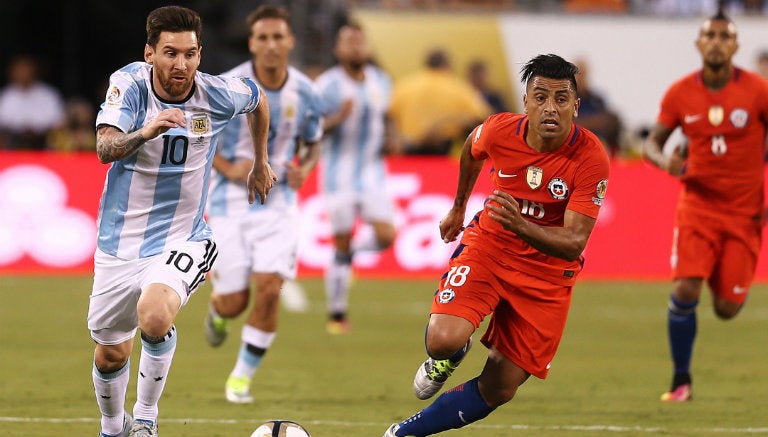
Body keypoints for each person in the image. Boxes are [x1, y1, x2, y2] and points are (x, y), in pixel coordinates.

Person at [383, 53, 610, 437]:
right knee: (441, 341)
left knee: (500, 388)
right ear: (525, 102)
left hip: (548, 274)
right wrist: (458, 208)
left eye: (560, 98)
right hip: (491, 247)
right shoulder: (499, 130)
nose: (550, 108)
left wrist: (520, 224)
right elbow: (472, 148)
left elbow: (573, 242)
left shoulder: (591, 158)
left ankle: (403, 433)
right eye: (540, 97)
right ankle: (453, 354)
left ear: (576, 105)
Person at [88, 6, 273, 437]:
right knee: (110, 354)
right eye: (170, 53)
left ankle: (147, 420)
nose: (181, 64)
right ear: (150, 53)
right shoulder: (129, 85)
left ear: (200, 55)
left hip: (184, 237)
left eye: (190, 54)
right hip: (119, 242)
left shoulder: (216, 93)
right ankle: (114, 428)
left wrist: (260, 163)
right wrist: (146, 132)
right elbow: (104, 148)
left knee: (154, 317)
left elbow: (258, 99)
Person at [642, 11, 768, 403]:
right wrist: (667, 163)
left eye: (723, 35)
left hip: (745, 213)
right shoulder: (680, 94)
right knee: (685, 287)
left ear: (735, 46)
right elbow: (651, 144)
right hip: (697, 207)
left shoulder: (758, 91)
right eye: (708, 34)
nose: (715, 41)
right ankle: (681, 381)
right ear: (699, 43)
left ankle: (723, 272)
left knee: (728, 307)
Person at [202, 5, 323, 403]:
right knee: (235, 302)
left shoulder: (305, 90)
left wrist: (304, 168)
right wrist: (226, 167)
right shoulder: (226, 84)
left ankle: (240, 378)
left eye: (278, 37)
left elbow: (312, 141)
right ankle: (219, 313)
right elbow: (201, 136)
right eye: (263, 38)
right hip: (228, 204)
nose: (271, 45)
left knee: (270, 288)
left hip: (279, 203)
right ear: (252, 43)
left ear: (289, 41)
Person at [314, 22, 399, 334]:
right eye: (349, 42)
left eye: (360, 42)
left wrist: (393, 139)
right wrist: (337, 119)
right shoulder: (327, 85)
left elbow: (386, 116)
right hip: (338, 175)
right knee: (341, 238)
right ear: (338, 50)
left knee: (387, 236)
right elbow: (312, 130)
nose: (356, 47)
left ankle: (347, 255)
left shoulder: (382, 81)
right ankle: (337, 313)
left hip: (372, 172)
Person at [389, 48, 491, 155]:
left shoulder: (405, 85)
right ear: (448, 65)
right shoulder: (459, 88)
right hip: (444, 151)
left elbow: (389, 115)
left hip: (410, 149)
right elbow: (483, 117)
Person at [0, 54, 65, 149]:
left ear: (34, 70)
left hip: (43, 141)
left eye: (26, 68)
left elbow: (59, 122)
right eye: (19, 69)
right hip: (12, 142)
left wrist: (36, 130)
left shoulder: (49, 95)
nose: (23, 72)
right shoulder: (5, 96)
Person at [573, 57, 624, 158]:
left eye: (583, 74)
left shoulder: (596, 100)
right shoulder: (565, 99)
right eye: (577, 74)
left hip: (597, 141)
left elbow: (607, 119)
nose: (580, 78)